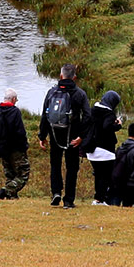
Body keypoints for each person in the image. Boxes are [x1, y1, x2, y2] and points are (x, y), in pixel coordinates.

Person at [37, 64, 87, 209]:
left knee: (55, 163)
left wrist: (42, 135)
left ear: (61, 76)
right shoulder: (80, 94)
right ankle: (69, 200)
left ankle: (56, 192)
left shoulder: (52, 92)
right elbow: (87, 116)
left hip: (55, 134)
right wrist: (82, 136)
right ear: (74, 77)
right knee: (72, 167)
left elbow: (45, 114)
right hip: (73, 136)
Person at [81, 89, 122, 205]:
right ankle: (100, 199)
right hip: (105, 150)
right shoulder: (109, 113)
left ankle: (98, 198)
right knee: (106, 176)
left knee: (98, 174)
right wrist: (117, 126)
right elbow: (106, 126)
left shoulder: (92, 110)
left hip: (90, 149)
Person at [0, 89, 31, 199]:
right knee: (23, 173)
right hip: (16, 148)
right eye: (16, 100)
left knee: (10, 174)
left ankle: (11, 196)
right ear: (13, 99)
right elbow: (20, 131)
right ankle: (3, 192)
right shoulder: (15, 111)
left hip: (2, 148)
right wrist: (24, 146)